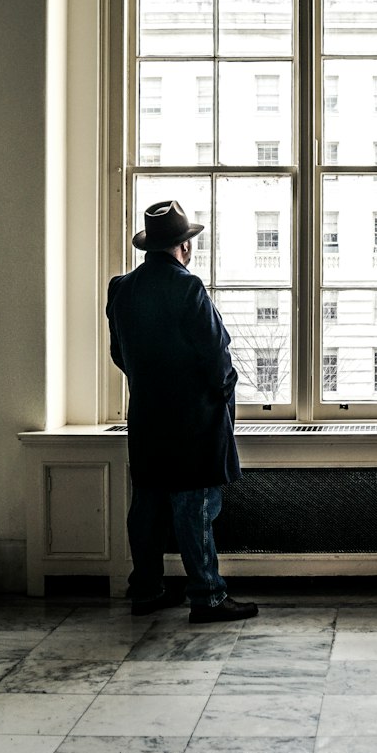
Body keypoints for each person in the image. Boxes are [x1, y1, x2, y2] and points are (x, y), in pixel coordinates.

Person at [106, 199, 259, 624]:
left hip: (147, 415)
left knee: (148, 505)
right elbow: (216, 357)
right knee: (195, 508)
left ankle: (147, 590)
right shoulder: (188, 287)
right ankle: (207, 596)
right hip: (193, 420)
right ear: (184, 247)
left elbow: (120, 354)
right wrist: (222, 395)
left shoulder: (121, 289)